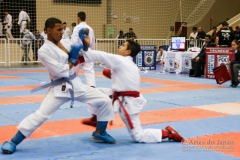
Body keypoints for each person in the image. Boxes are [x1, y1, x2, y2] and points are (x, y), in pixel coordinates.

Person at [1, 17, 116, 154]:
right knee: (41, 115)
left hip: (76, 84)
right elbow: (60, 70)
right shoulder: (43, 51)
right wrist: (73, 59)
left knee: (104, 100)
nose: (62, 32)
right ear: (49, 31)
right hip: (59, 87)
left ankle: (100, 132)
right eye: (59, 29)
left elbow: (83, 52)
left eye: (62, 29)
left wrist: (84, 42)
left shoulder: (66, 42)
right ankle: (13, 141)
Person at [80, 29, 185, 143]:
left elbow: (100, 56)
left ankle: (167, 134)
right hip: (121, 95)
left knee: (138, 136)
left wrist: (85, 46)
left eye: (123, 45)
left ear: (128, 52)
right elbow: (122, 77)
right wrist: (110, 73)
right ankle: (98, 125)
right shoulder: (129, 64)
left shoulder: (121, 61)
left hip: (128, 102)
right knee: (98, 94)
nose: (120, 46)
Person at [71, 11, 96, 88]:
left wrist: (72, 51)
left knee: (74, 70)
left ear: (78, 18)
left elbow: (73, 42)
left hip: (78, 52)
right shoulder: (90, 28)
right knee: (89, 70)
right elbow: (92, 41)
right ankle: (92, 86)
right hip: (87, 51)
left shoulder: (76, 28)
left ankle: (73, 86)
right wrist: (90, 50)